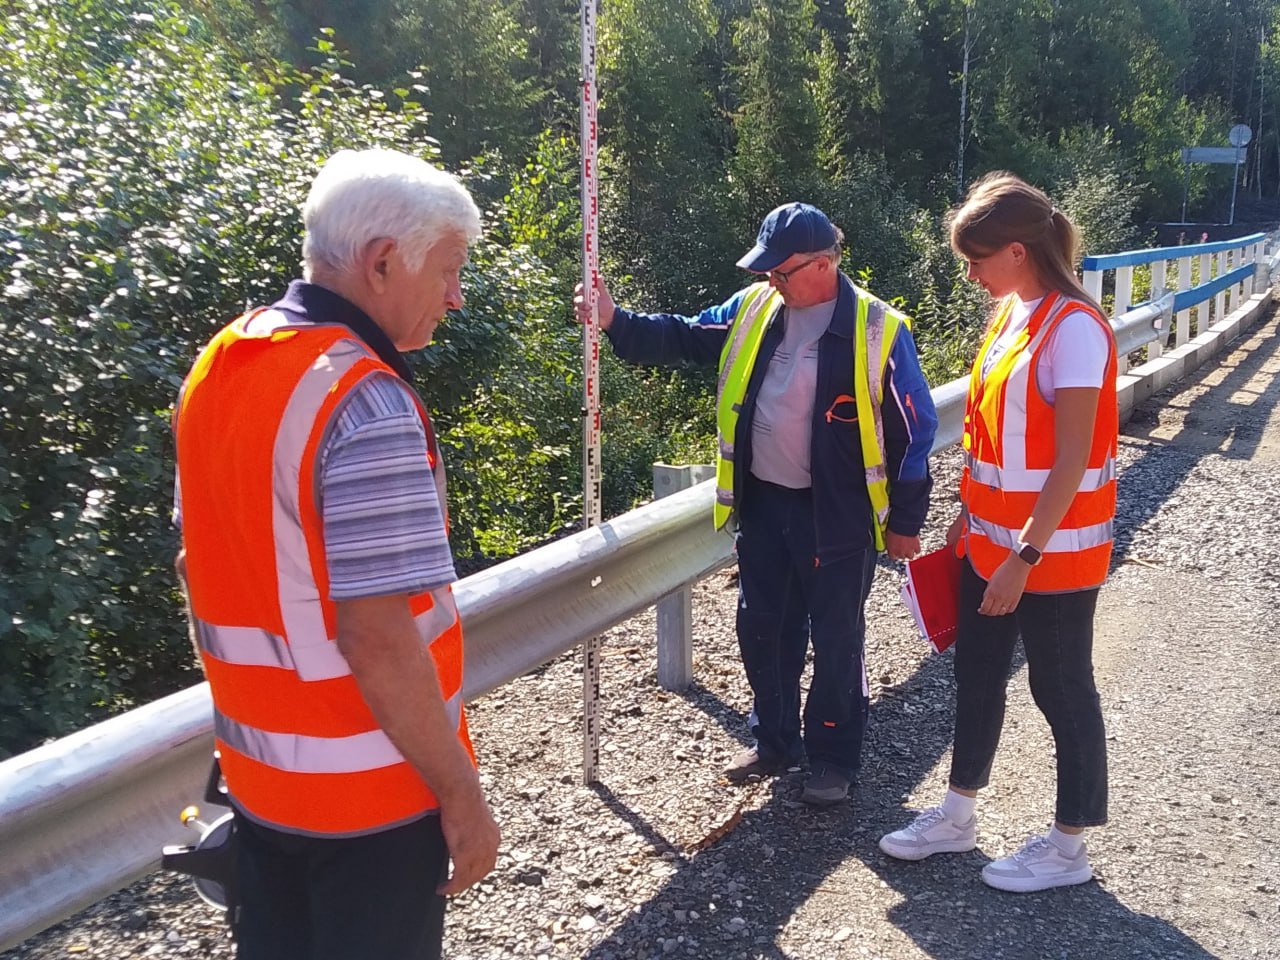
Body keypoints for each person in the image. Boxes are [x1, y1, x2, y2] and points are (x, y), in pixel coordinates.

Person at [172, 148, 500, 959]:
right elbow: (376, 634)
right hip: (372, 807)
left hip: (260, 788)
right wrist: (462, 795)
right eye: (450, 272)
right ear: (383, 263)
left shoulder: (221, 364)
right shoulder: (364, 400)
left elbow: (198, 569)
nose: (457, 299)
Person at [574, 203, 938, 806]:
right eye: (766, 271)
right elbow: (687, 336)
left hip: (839, 517)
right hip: (765, 507)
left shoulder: (879, 331)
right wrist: (614, 320)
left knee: (837, 637)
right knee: (762, 628)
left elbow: (913, 431)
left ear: (824, 264)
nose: (771, 281)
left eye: (783, 272)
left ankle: (832, 759)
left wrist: (905, 522)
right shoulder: (756, 310)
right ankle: (775, 742)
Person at [878, 172, 1118, 892]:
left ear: (1018, 251)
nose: (971, 273)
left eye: (977, 259)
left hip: (1051, 552)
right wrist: (968, 515)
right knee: (977, 675)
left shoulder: (1074, 328)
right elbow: (1000, 440)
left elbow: (1072, 457)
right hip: (991, 542)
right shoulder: (1016, 313)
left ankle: (1069, 850)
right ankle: (957, 816)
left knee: (1062, 688)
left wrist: (1026, 554)